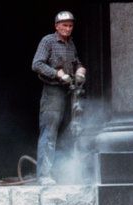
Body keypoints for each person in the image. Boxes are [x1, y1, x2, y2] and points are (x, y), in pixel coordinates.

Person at [32, 11, 86, 185]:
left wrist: (80, 70)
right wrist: (57, 74)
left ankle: (64, 172)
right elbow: (37, 64)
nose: (68, 29)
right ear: (56, 26)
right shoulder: (48, 41)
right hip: (53, 92)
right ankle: (44, 175)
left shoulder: (71, 44)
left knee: (70, 131)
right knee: (49, 132)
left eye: (70, 26)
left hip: (69, 92)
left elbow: (76, 61)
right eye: (64, 25)